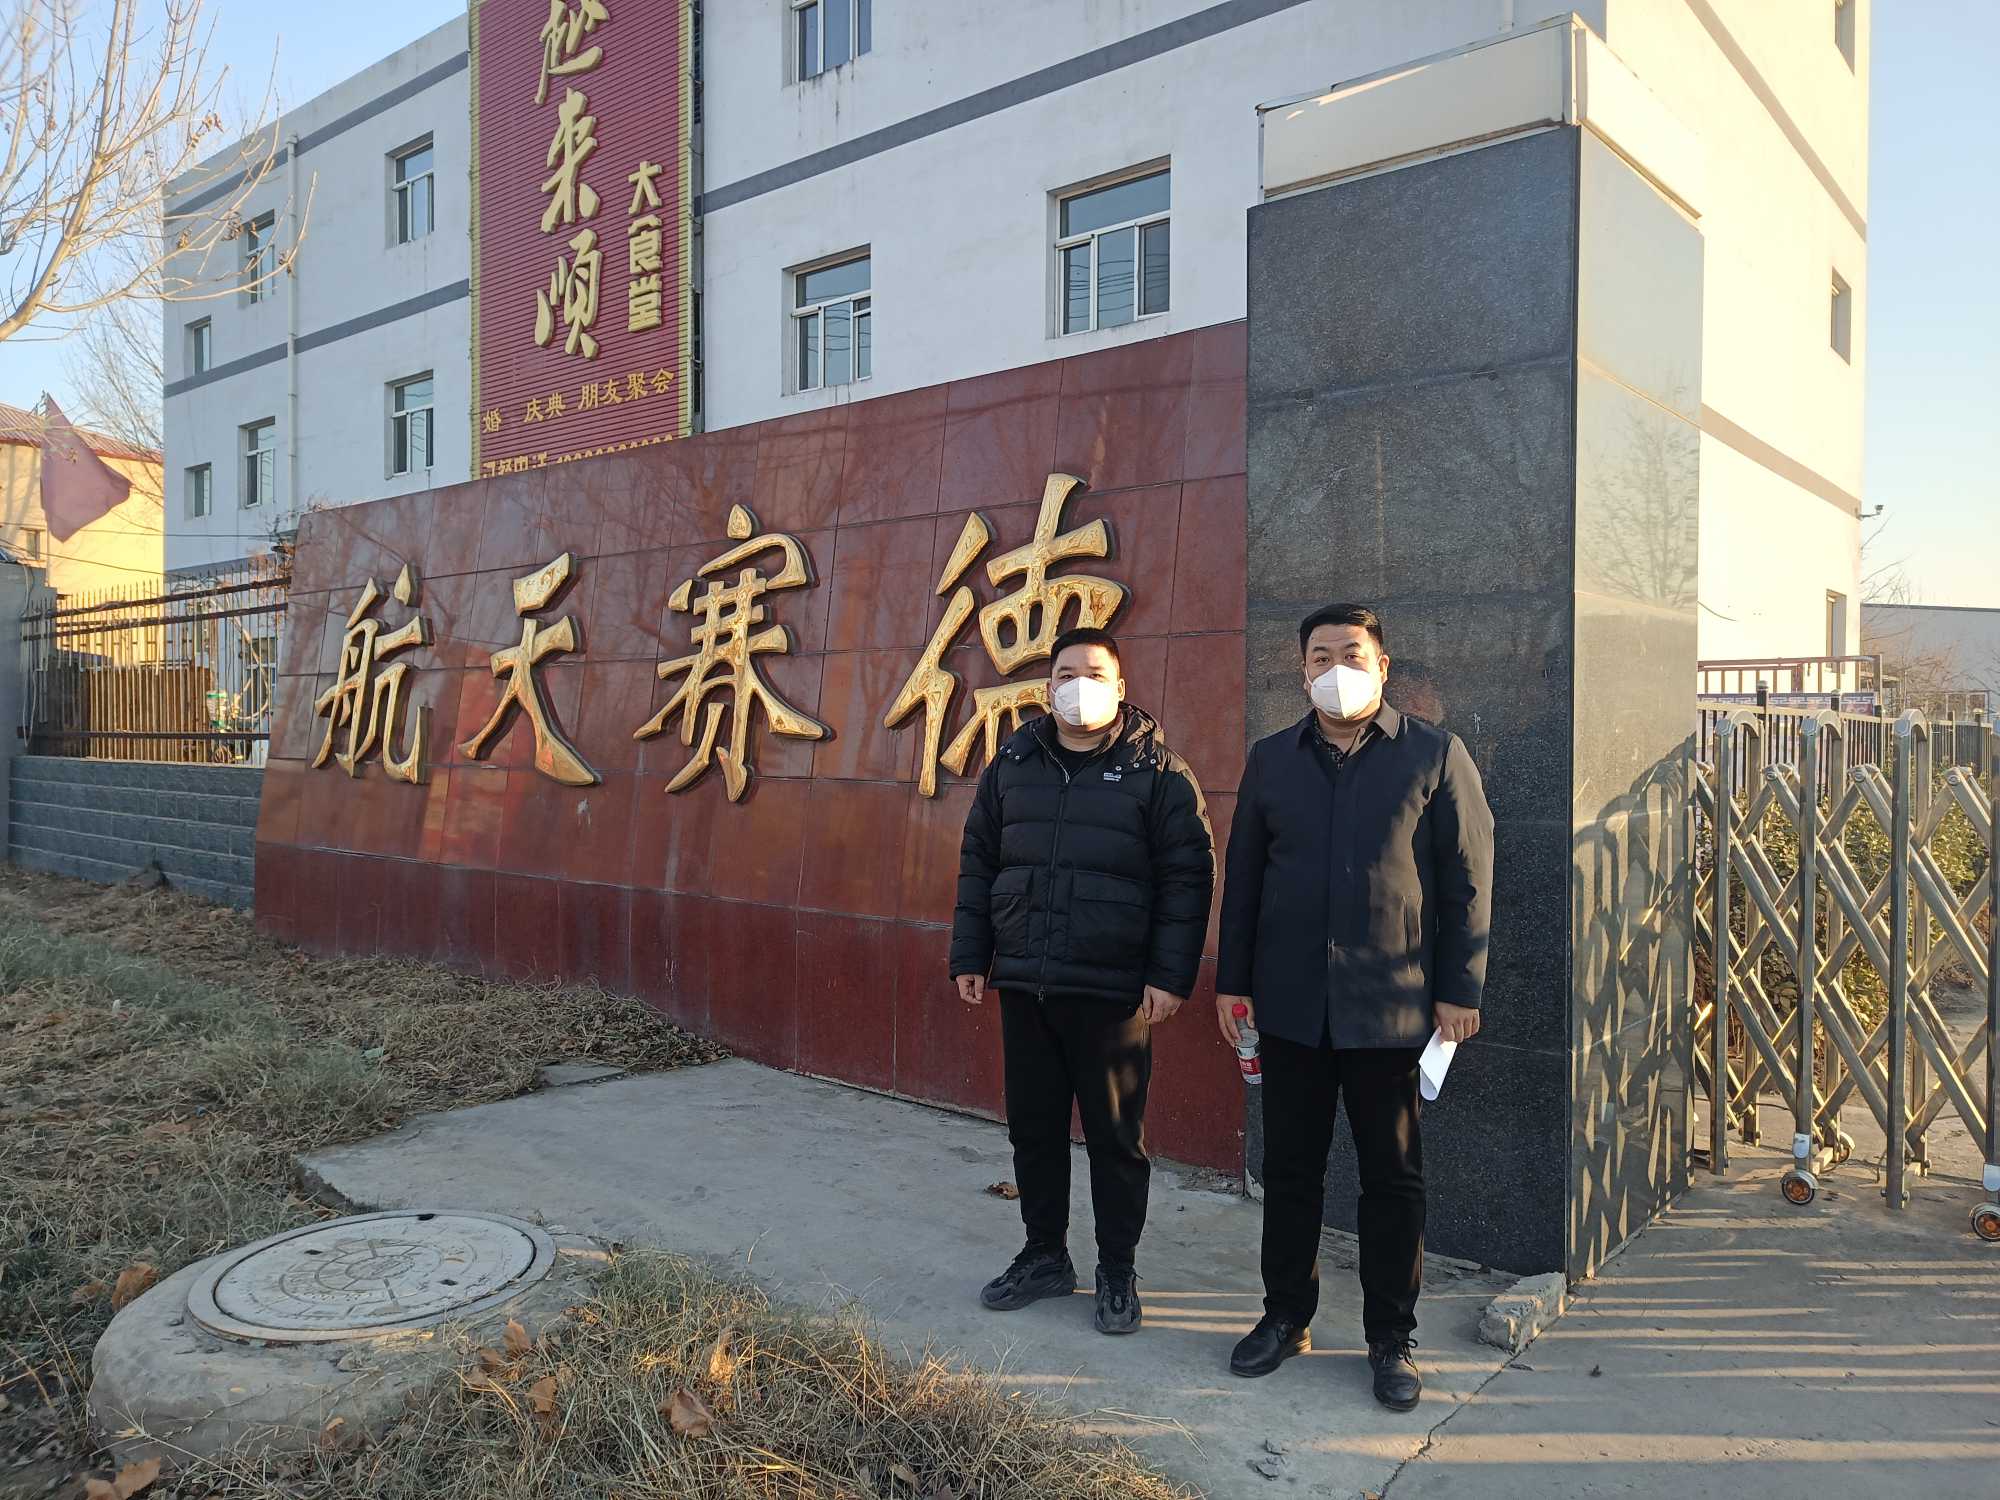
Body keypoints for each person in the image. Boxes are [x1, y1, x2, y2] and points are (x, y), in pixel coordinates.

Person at [1217, 604, 1493, 1410]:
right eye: (1320, 656)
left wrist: (1460, 990)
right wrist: (1233, 982)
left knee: (1392, 1179)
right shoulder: (1273, 760)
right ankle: (1285, 1316)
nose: (1335, 668)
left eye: (1351, 653)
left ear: (1382, 665)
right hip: (1292, 1004)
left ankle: (1390, 1337)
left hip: (1392, 1007)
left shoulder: (1434, 755)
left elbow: (1469, 883)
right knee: (1289, 1170)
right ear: (1301, 669)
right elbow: (1245, 879)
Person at [952, 627, 1215, 1335]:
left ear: (1121, 688)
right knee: (1033, 1130)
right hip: (1027, 982)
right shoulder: (1013, 764)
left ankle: (1117, 1270)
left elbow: (1188, 879)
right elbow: (980, 861)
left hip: (1112, 991)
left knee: (1115, 1139)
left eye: (1095, 674)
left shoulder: (1158, 773)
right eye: (1067, 674)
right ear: (1047, 689)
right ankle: (1044, 1254)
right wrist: (971, 954)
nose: (1080, 687)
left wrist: (1169, 976)